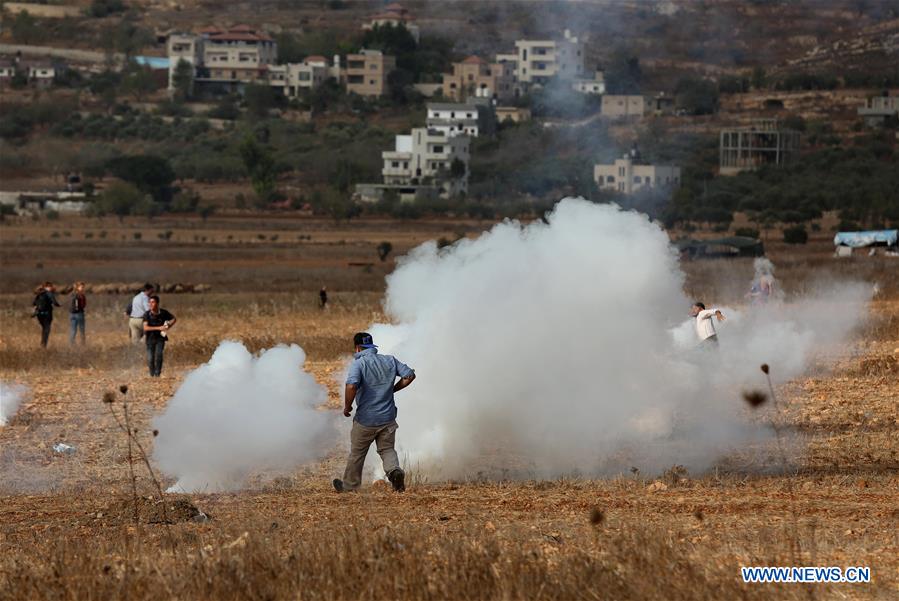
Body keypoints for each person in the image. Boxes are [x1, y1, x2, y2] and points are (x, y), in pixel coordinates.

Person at [333, 332, 416, 494]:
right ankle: (394, 472)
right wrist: (392, 390)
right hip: (388, 418)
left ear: (357, 348)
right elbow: (410, 375)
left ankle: (350, 486)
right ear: (372, 346)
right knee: (387, 449)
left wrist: (347, 406)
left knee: (357, 453)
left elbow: (351, 386)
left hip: (366, 419)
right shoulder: (390, 360)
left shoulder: (359, 364)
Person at [142, 295, 176, 377]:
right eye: (149, 302)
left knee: (159, 355)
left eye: (153, 302)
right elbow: (145, 328)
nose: (150, 304)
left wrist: (168, 326)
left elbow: (174, 319)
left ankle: (157, 374)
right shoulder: (147, 314)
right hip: (150, 339)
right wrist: (159, 327)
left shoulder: (164, 313)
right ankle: (151, 374)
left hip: (161, 338)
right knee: (150, 359)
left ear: (157, 303)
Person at [32, 282, 60, 348]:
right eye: (50, 287)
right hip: (47, 314)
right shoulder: (49, 293)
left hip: (39, 314)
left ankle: (43, 344)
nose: (51, 288)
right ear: (46, 287)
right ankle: (44, 344)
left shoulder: (39, 294)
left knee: (44, 329)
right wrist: (58, 305)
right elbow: (55, 302)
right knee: (47, 329)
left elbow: (33, 303)